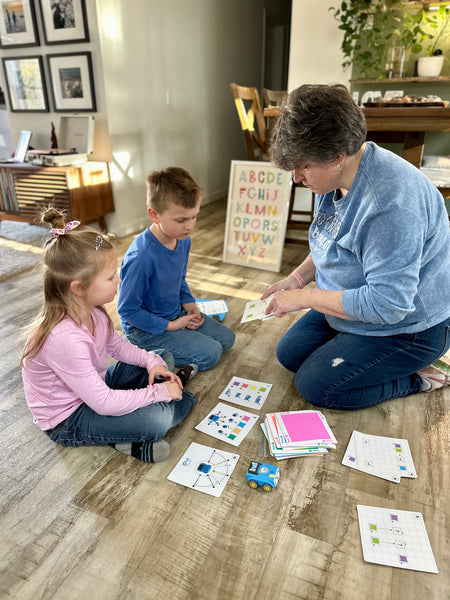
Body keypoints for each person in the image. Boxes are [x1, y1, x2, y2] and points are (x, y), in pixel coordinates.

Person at [261, 83, 450, 410]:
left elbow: (389, 304)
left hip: (408, 327)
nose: (296, 177)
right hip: (357, 299)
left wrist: (305, 297)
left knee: (318, 386)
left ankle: (421, 377)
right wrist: (298, 279)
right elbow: (332, 239)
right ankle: (357, 349)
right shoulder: (335, 173)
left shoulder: (388, 208)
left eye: (303, 165)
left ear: (337, 157)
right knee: (289, 355)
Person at [21, 208, 197, 463]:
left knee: (161, 356)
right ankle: (135, 428)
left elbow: (118, 347)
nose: (119, 279)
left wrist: (152, 363)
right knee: (157, 421)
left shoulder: (93, 309)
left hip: (95, 389)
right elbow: (103, 403)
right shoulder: (63, 338)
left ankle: (162, 399)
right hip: (68, 418)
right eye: (110, 277)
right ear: (79, 288)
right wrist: (158, 394)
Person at [117, 167, 235, 370]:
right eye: (181, 220)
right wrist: (172, 327)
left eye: (194, 217)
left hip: (175, 314)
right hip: (144, 330)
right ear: (155, 215)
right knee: (211, 353)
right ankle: (142, 349)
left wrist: (189, 304)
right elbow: (127, 310)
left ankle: (182, 335)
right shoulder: (141, 258)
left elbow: (179, 278)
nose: (189, 226)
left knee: (227, 339)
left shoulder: (182, 239)